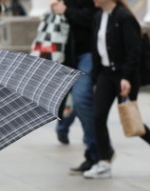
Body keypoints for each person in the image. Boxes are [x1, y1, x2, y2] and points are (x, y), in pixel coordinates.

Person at [84, 0, 150, 180]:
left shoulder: (124, 17)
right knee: (98, 116)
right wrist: (95, 78)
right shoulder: (98, 17)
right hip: (105, 75)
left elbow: (134, 50)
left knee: (131, 121)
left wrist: (127, 77)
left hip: (124, 76)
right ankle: (104, 161)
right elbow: (96, 50)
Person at [51, 0, 109, 174]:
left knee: (81, 99)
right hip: (69, 53)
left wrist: (66, 11)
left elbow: (92, 16)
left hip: (89, 53)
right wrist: (56, 8)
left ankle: (97, 153)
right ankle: (99, 151)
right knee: (75, 100)